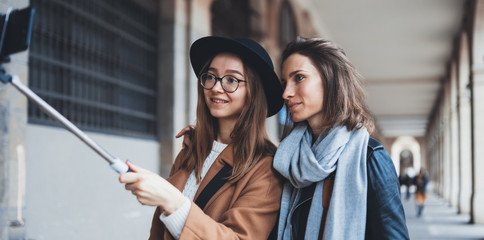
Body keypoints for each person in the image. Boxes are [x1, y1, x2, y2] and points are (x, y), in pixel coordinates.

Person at [119, 36, 284, 239]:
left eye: (231, 80)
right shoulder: (192, 148)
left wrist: (173, 201)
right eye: (210, 76)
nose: (216, 87)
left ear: (254, 93)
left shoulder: (265, 168)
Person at [273, 37, 409, 239]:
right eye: (284, 83)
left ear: (330, 79)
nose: (286, 93)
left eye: (299, 78)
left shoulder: (371, 158)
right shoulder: (289, 159)